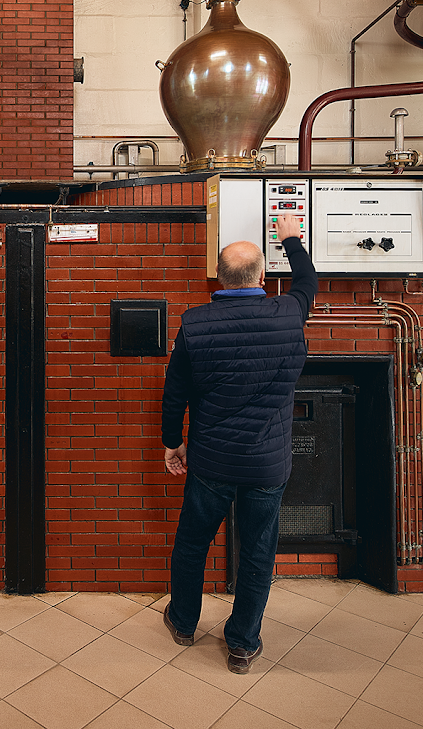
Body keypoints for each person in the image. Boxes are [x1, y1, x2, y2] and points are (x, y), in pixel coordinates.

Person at [160, 216, 317, 673]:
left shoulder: (194, 324)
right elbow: (307, 280)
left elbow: (176, 393)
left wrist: (174, 443)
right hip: (268, 463)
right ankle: (243, 642)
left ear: (220, 278)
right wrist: (290, 237)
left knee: (192, 542)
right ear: (262, 279)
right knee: (257, 551)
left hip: (211, 460)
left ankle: (184, 622)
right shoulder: (288, 312)